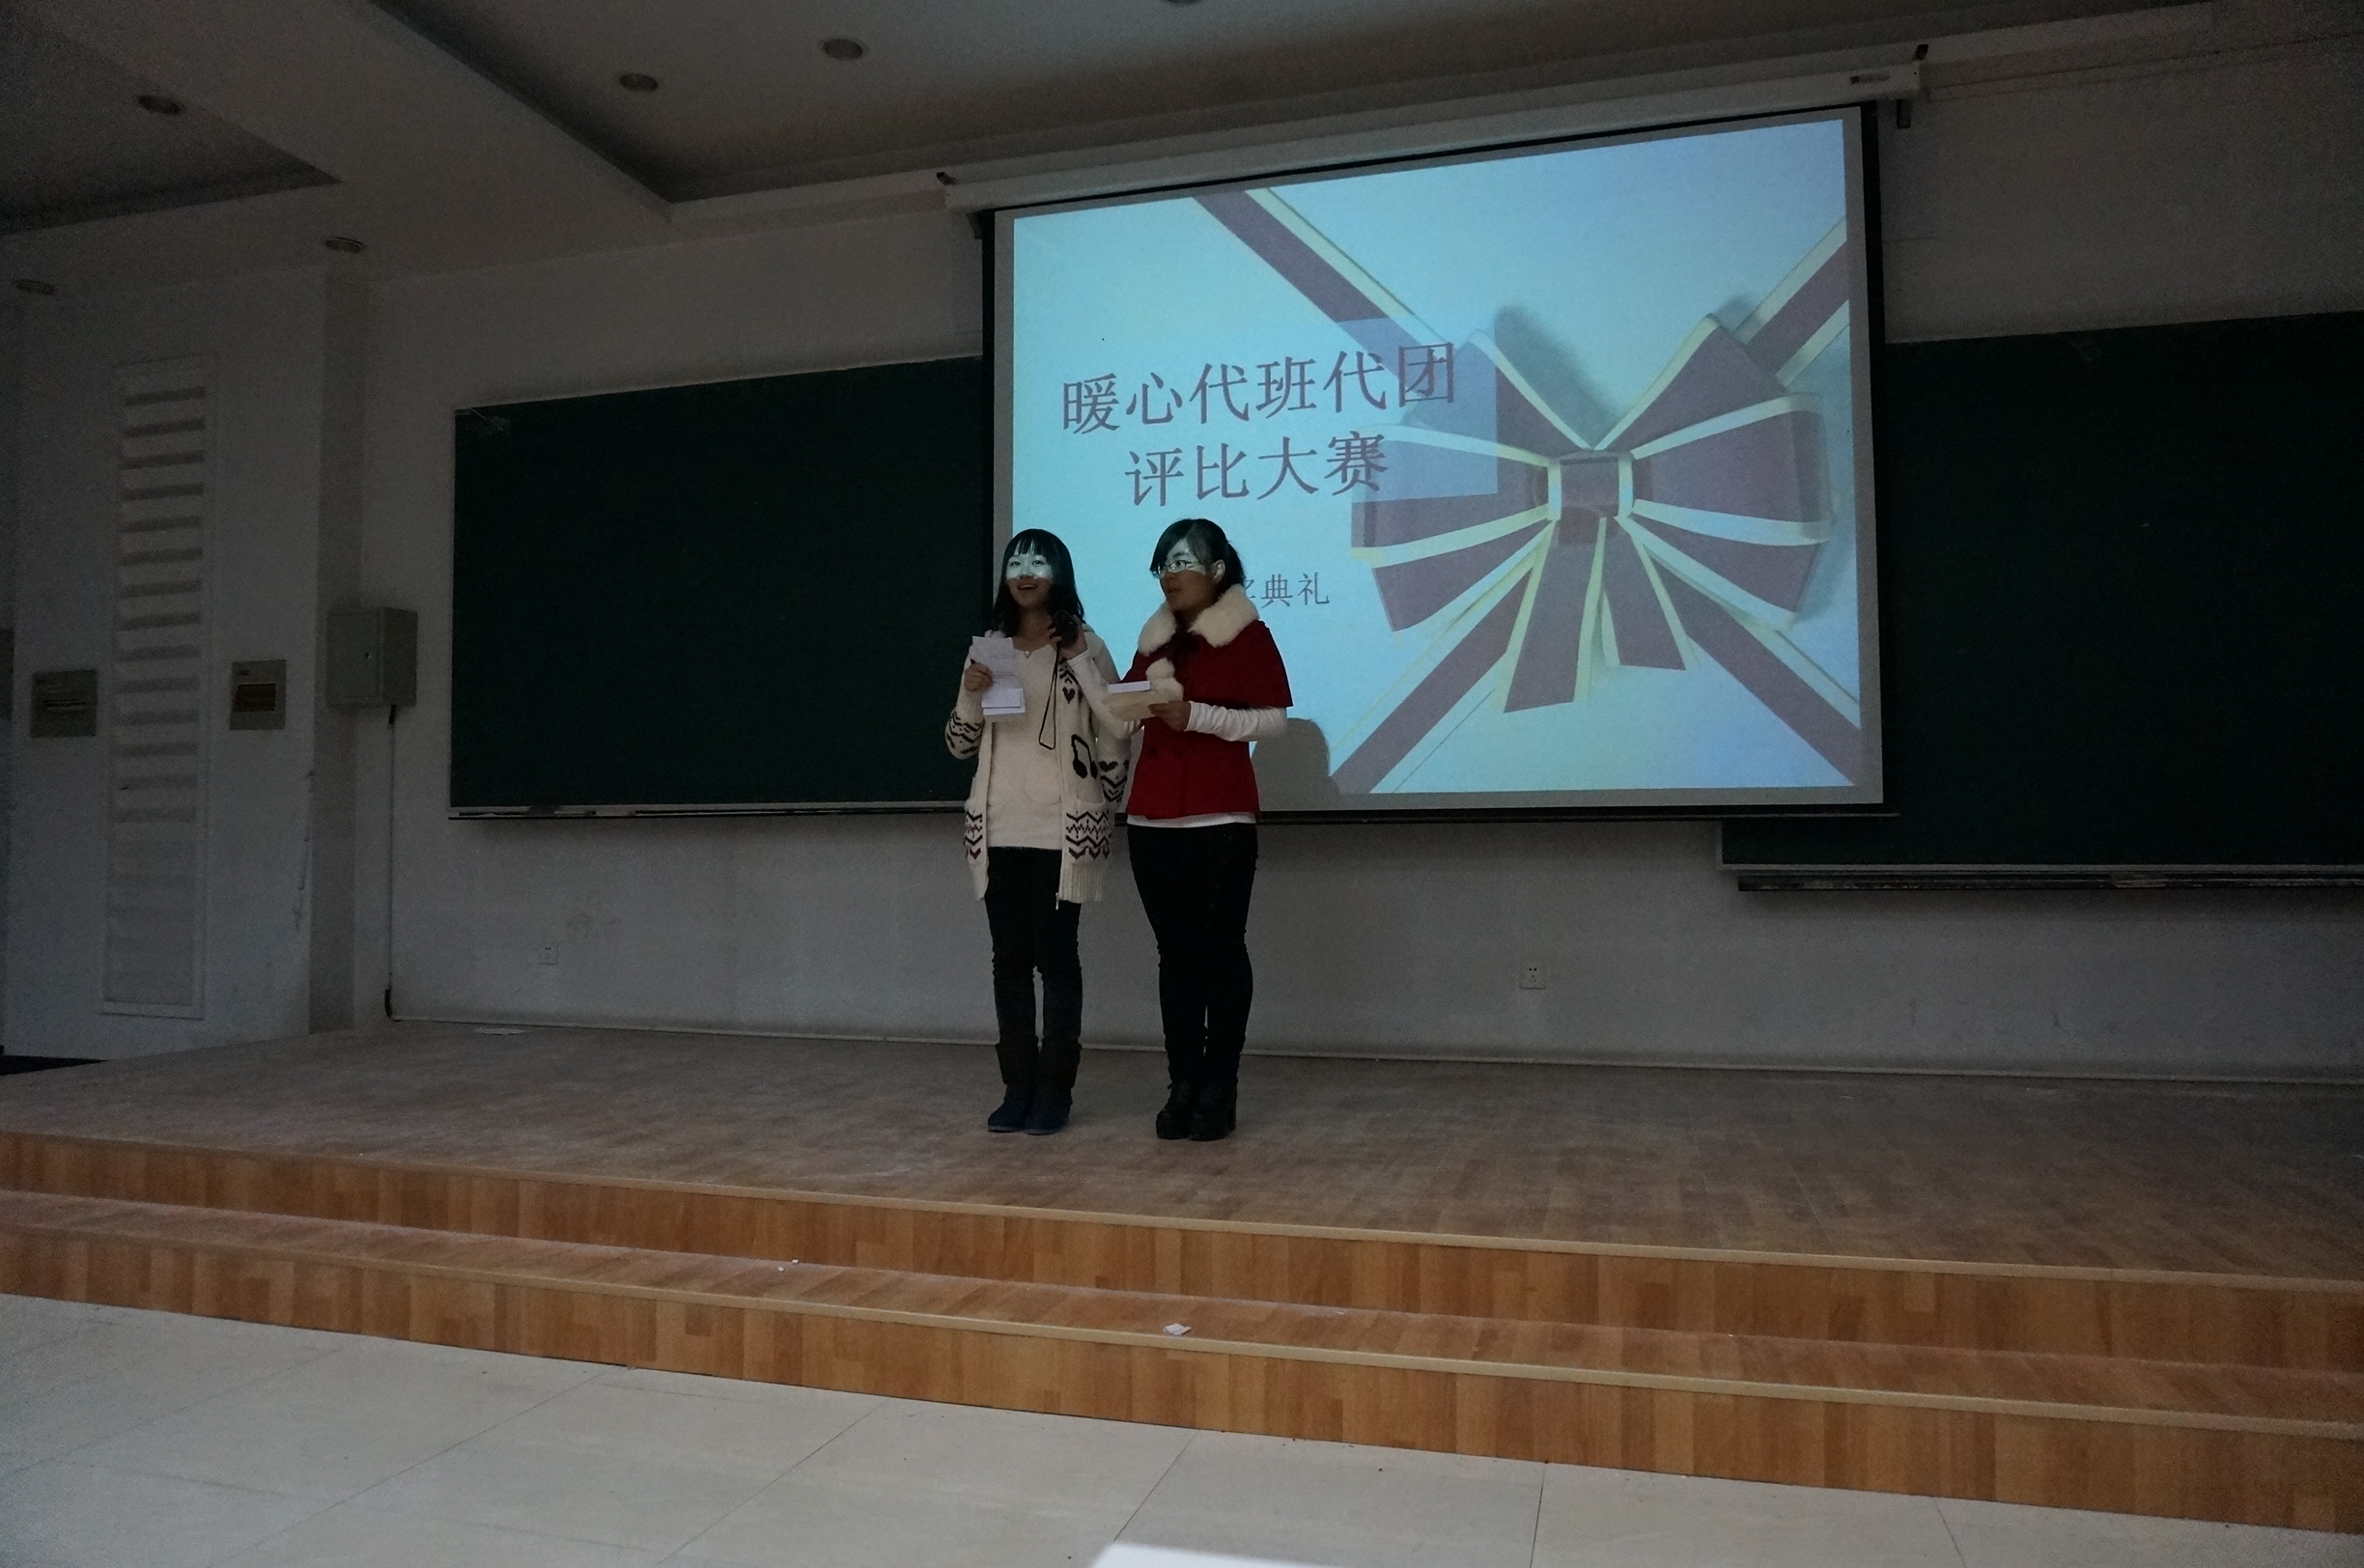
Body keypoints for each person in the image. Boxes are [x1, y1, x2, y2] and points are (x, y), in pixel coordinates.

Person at [945, 530, 1129, 1135]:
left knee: (1057, 961)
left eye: (1038, 562)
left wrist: (1076, 656)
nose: (1025, 572)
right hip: (998, 826)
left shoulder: (1086, 643)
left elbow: (1118, 726)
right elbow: (959, 744)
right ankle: (1017, 1086)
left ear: (1059, 573)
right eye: (1015, 562)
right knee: (1008, 963)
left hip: (1061, 830)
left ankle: (1056, 1089)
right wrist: (970, 694)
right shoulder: (990, 648)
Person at [1122, 518, 1292, 1142]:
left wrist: (1196, 715)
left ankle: (1220, 1085)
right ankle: (1183, 1083)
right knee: (1174, 956)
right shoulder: (1154, 640)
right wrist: (1114, 705)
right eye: (1163, 565)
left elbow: (1272, 722)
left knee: (1220, 952)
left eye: (1182, 562)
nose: (1170, 575)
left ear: (1217, 570)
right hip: (1150, 814)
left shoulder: (1247, 635)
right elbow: (1128, 715)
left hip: (1219, 815)